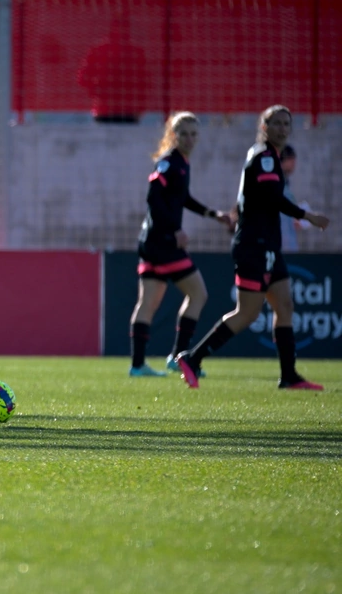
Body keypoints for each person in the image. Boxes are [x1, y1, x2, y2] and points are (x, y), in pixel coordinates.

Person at [176, 105, 330, 390]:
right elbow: (272, 197)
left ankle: (289, 376)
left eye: (287, 123)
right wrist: (307, 216)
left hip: (268, 245)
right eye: (276, 123)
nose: (282, 128)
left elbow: (254, 197)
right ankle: (192, 358)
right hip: (254, 246)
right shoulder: (265, 158)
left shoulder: (266, 157)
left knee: (285, 306)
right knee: (247, 313)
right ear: (264, 127)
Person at [129, 112, 232, 377]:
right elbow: (154, 198)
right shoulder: (169, 162)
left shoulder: (181, 163)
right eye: (183, 134)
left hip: (152, 242)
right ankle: (178, 357)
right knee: (198, 294)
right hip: (162, 242)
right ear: (173, 136)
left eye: (193, 134)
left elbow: (182, 198)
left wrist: (213, 214)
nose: (189, 139)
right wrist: (174, 230)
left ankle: (138, 366)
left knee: (148, 302)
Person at [76, 16, 149, 124]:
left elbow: (143, 82)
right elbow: (83, 78)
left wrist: (97, 91)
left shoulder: (135, 53)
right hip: (118, 108)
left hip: (118, 108)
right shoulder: (135, 52)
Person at [278, 145, 311, 253]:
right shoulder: (277, 185)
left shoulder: (286, 184)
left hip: (288, 245)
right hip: (280, 245)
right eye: (289, 158)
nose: (293, 162)